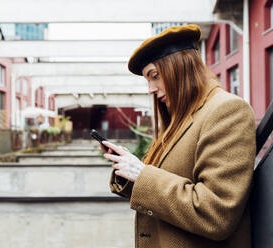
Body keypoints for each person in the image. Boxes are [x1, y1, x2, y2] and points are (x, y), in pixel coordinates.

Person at [101, 24, 256, 248]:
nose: (151, 89)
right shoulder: (180, 117)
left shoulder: (227, 110)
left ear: (180, 67)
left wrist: (142, 174)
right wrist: (129, 170)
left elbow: (215, 213)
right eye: (148, 81)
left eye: (154, 76)